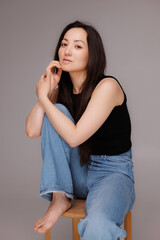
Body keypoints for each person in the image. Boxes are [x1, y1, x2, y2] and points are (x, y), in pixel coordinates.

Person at [25, 20, 135, 240]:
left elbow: (74, 138)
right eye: (64, 44)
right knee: (56, 111)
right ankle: (59, 198)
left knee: (97, 225)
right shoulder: (61, 92)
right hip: (78, 172)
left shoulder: (108, 87)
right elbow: (32, 130)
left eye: (77, 46)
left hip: (112, 174)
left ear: (92, 54)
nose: (67, 51)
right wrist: (48, 92)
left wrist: (42, 98)